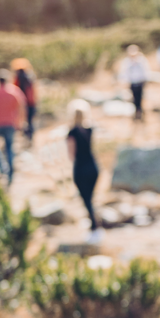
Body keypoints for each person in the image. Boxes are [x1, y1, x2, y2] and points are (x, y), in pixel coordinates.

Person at [66, 99, 102, 244]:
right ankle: (95, 225)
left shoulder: (72, 132)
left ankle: (95, 227)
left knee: (86, 200)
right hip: (93, 167)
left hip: (81, 168)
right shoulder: (90, 129)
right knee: (90, 200)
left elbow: (71, 154)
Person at [0, 69, 25, 184]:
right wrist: (20, 123)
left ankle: (2, 167)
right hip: (11, 124)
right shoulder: (14, 92)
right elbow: (21, 109)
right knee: (9, 148)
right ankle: (10, 169)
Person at [119, 44, 151, 120]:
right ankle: (136, 111)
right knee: (134, 98)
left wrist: (146, 79)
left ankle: (141, 111)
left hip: (140, 82)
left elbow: (146, 70)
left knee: (141, 97)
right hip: (132, 83)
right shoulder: (126, 62)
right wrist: (124, 81)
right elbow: (124, 73)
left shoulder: (142, 60)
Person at [11, 58, 37, 144]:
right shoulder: (30, 76)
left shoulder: (18, 77)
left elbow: (15, 90)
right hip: (31, 103)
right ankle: (30, 138)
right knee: (30, 121)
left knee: (20, 121)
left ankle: (24, 136)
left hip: (22, 103)